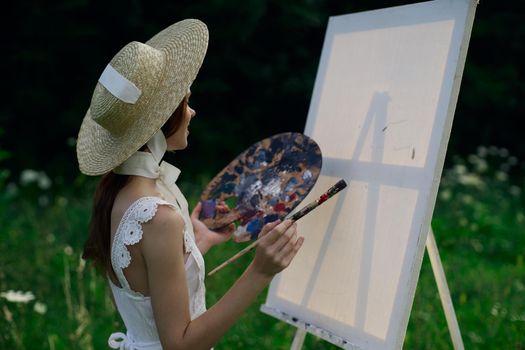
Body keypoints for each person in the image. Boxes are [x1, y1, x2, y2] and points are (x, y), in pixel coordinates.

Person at [76, 19, 304, 349]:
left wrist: (197, 242)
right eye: (185, 100)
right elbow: (180, 344)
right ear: (162, 119)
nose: (192, 111)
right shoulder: (157, 216)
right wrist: (260, 272)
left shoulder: (119, 191)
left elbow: (144, 284)